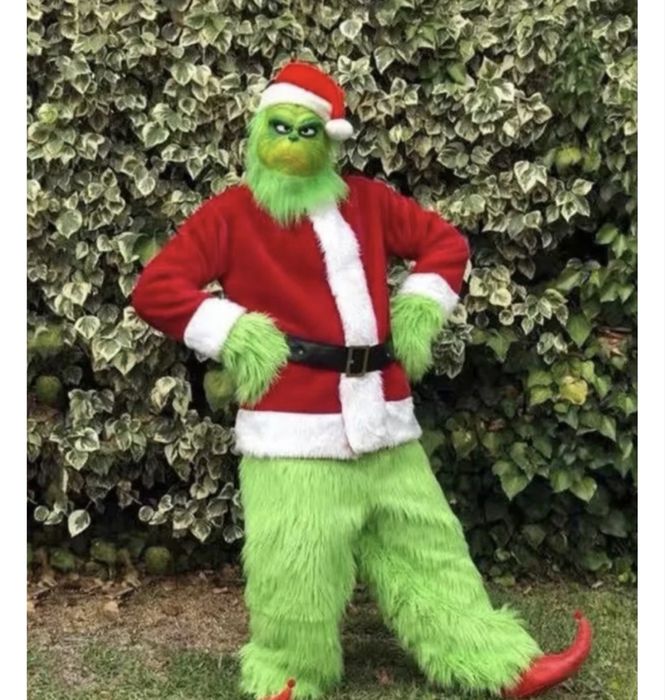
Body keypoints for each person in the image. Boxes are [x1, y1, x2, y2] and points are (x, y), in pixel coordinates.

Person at [132, 60, 591, 700]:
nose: (291, 141)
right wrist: (236, 333)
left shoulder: (369, 202)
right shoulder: (230, 215)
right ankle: (289, 674)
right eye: (279, 127)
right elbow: (156, 290)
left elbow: (445, 244)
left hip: (384, 417)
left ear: (330, 141)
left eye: (306, 130)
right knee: (297, 560)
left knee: (427, 542)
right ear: (258, 131)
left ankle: (490, 658)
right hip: (292, 430)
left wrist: (419, 309)